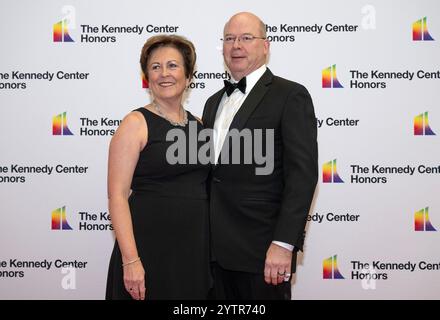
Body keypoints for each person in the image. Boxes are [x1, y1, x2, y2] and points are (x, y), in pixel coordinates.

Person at [202, 12, 318, 300]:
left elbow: (302, 177)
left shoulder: (290, 95)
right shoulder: (212, 102)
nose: (236, 46)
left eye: (245, 38)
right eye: (229, 39)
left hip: (263, 253)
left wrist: (283, 244)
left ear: (265, 46)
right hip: (212, 255)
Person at [106, 35, 211, 300]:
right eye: (155, 67)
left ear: (188, 76)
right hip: (147, 249)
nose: (164, 73)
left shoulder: (201, 125)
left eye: (173, 65)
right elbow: (117, 196)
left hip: (193, 251)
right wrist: (131, 261)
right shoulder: (135, 123)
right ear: (147, 76)